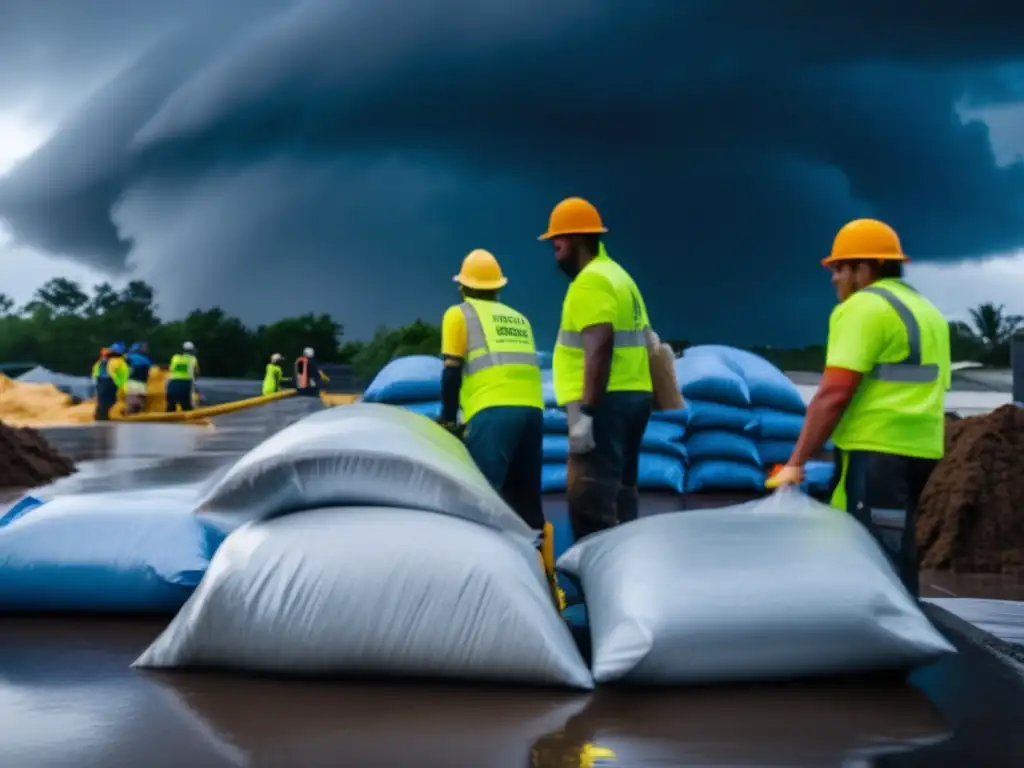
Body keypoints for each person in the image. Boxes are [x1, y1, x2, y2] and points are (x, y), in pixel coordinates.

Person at [768, 218, 951, 598]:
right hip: (922, 448)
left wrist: (796, 462)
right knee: (895, 546)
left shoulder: (863, 308)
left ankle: (874, 641)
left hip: (875, 449)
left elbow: (834, 392)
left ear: (865, 268)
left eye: (839, 268)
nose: (834, 278)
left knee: (867, 550)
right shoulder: (928, 312)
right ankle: (903, 630)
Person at [541, 197, 654, 542]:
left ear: (575, 239)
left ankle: (594, 582)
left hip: (604, 402)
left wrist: (587, 412)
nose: (554, 253)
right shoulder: (621, 277)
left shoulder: (591, 281)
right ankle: (627, 569)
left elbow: (600, 343)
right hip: (633, 395)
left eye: (557, 244)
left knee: (590, 499)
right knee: (622, 491)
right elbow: (648, 341)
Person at [438, 248, 546, 531]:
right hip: (533, 413)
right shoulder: (520, 319)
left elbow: (451, 372)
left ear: (462, 287)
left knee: (481, 502)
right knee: (527, 504)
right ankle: (544, 571)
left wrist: (448, 421)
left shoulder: (458, 314)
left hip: (492, 411)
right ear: (498, 288)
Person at [94, 342, 129, 421]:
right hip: (110, 382)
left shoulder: (104, 360)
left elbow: (97, 371)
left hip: (103, 381)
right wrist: (120, 384)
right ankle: (102, 417)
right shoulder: (116, 360)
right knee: (107, 401)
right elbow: (114, 372)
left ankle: (101, 417)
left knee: (103, 401)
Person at [166, 341, 199, 412]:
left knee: (171, 401)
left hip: (173, 382)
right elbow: (196, 372)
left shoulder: (175, 357)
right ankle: (188, 417)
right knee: (185, 402)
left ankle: (169, 418)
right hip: (186, 382)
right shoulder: (193, 359)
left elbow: (171, 368)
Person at [124, 342, 153, 414]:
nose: (147, 349)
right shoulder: (136, 358)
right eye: (145, 347)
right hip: (136, 381)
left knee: (136, 401)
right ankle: (133, 413)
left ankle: (132, 413)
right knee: (136, 401)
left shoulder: (142, 359)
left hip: (137, 382)